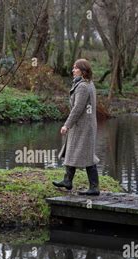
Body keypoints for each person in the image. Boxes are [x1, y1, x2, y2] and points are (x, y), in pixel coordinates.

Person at [53, 59, 100, 196]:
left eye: (75, 68)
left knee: (87, 155)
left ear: (83, 71)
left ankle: (94, 187)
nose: (72, 70)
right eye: (73, 68)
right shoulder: (88, 84)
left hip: (83, 126)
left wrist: (67, 125)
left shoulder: (82, 87)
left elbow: (77, 109)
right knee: (73, 150)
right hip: (84, 125)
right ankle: (67, 181)